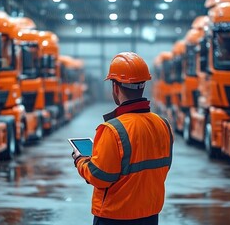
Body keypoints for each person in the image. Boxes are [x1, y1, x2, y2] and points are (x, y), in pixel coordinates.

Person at [72, 52, 174, 225]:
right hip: (150, 216)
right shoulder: (163, 124)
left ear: (115, 87)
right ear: (143, 85)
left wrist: (80, 161)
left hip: (115, 217)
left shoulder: (112, 130)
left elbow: (100, 176)